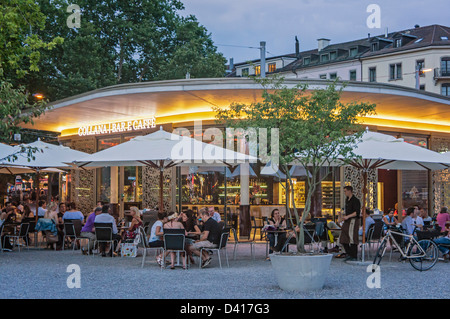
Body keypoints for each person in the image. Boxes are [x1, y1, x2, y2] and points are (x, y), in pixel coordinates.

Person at [339, 186, 361, 262]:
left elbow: (356, 212)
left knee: (352, 238)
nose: (344, 193)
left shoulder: (355, 200)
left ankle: (353, 255)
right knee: (343, 237)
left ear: (350, 191)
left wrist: (348, 216)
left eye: (345, 191)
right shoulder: (347, 200)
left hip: (353, 220)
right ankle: (349, 253)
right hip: (347, 220)